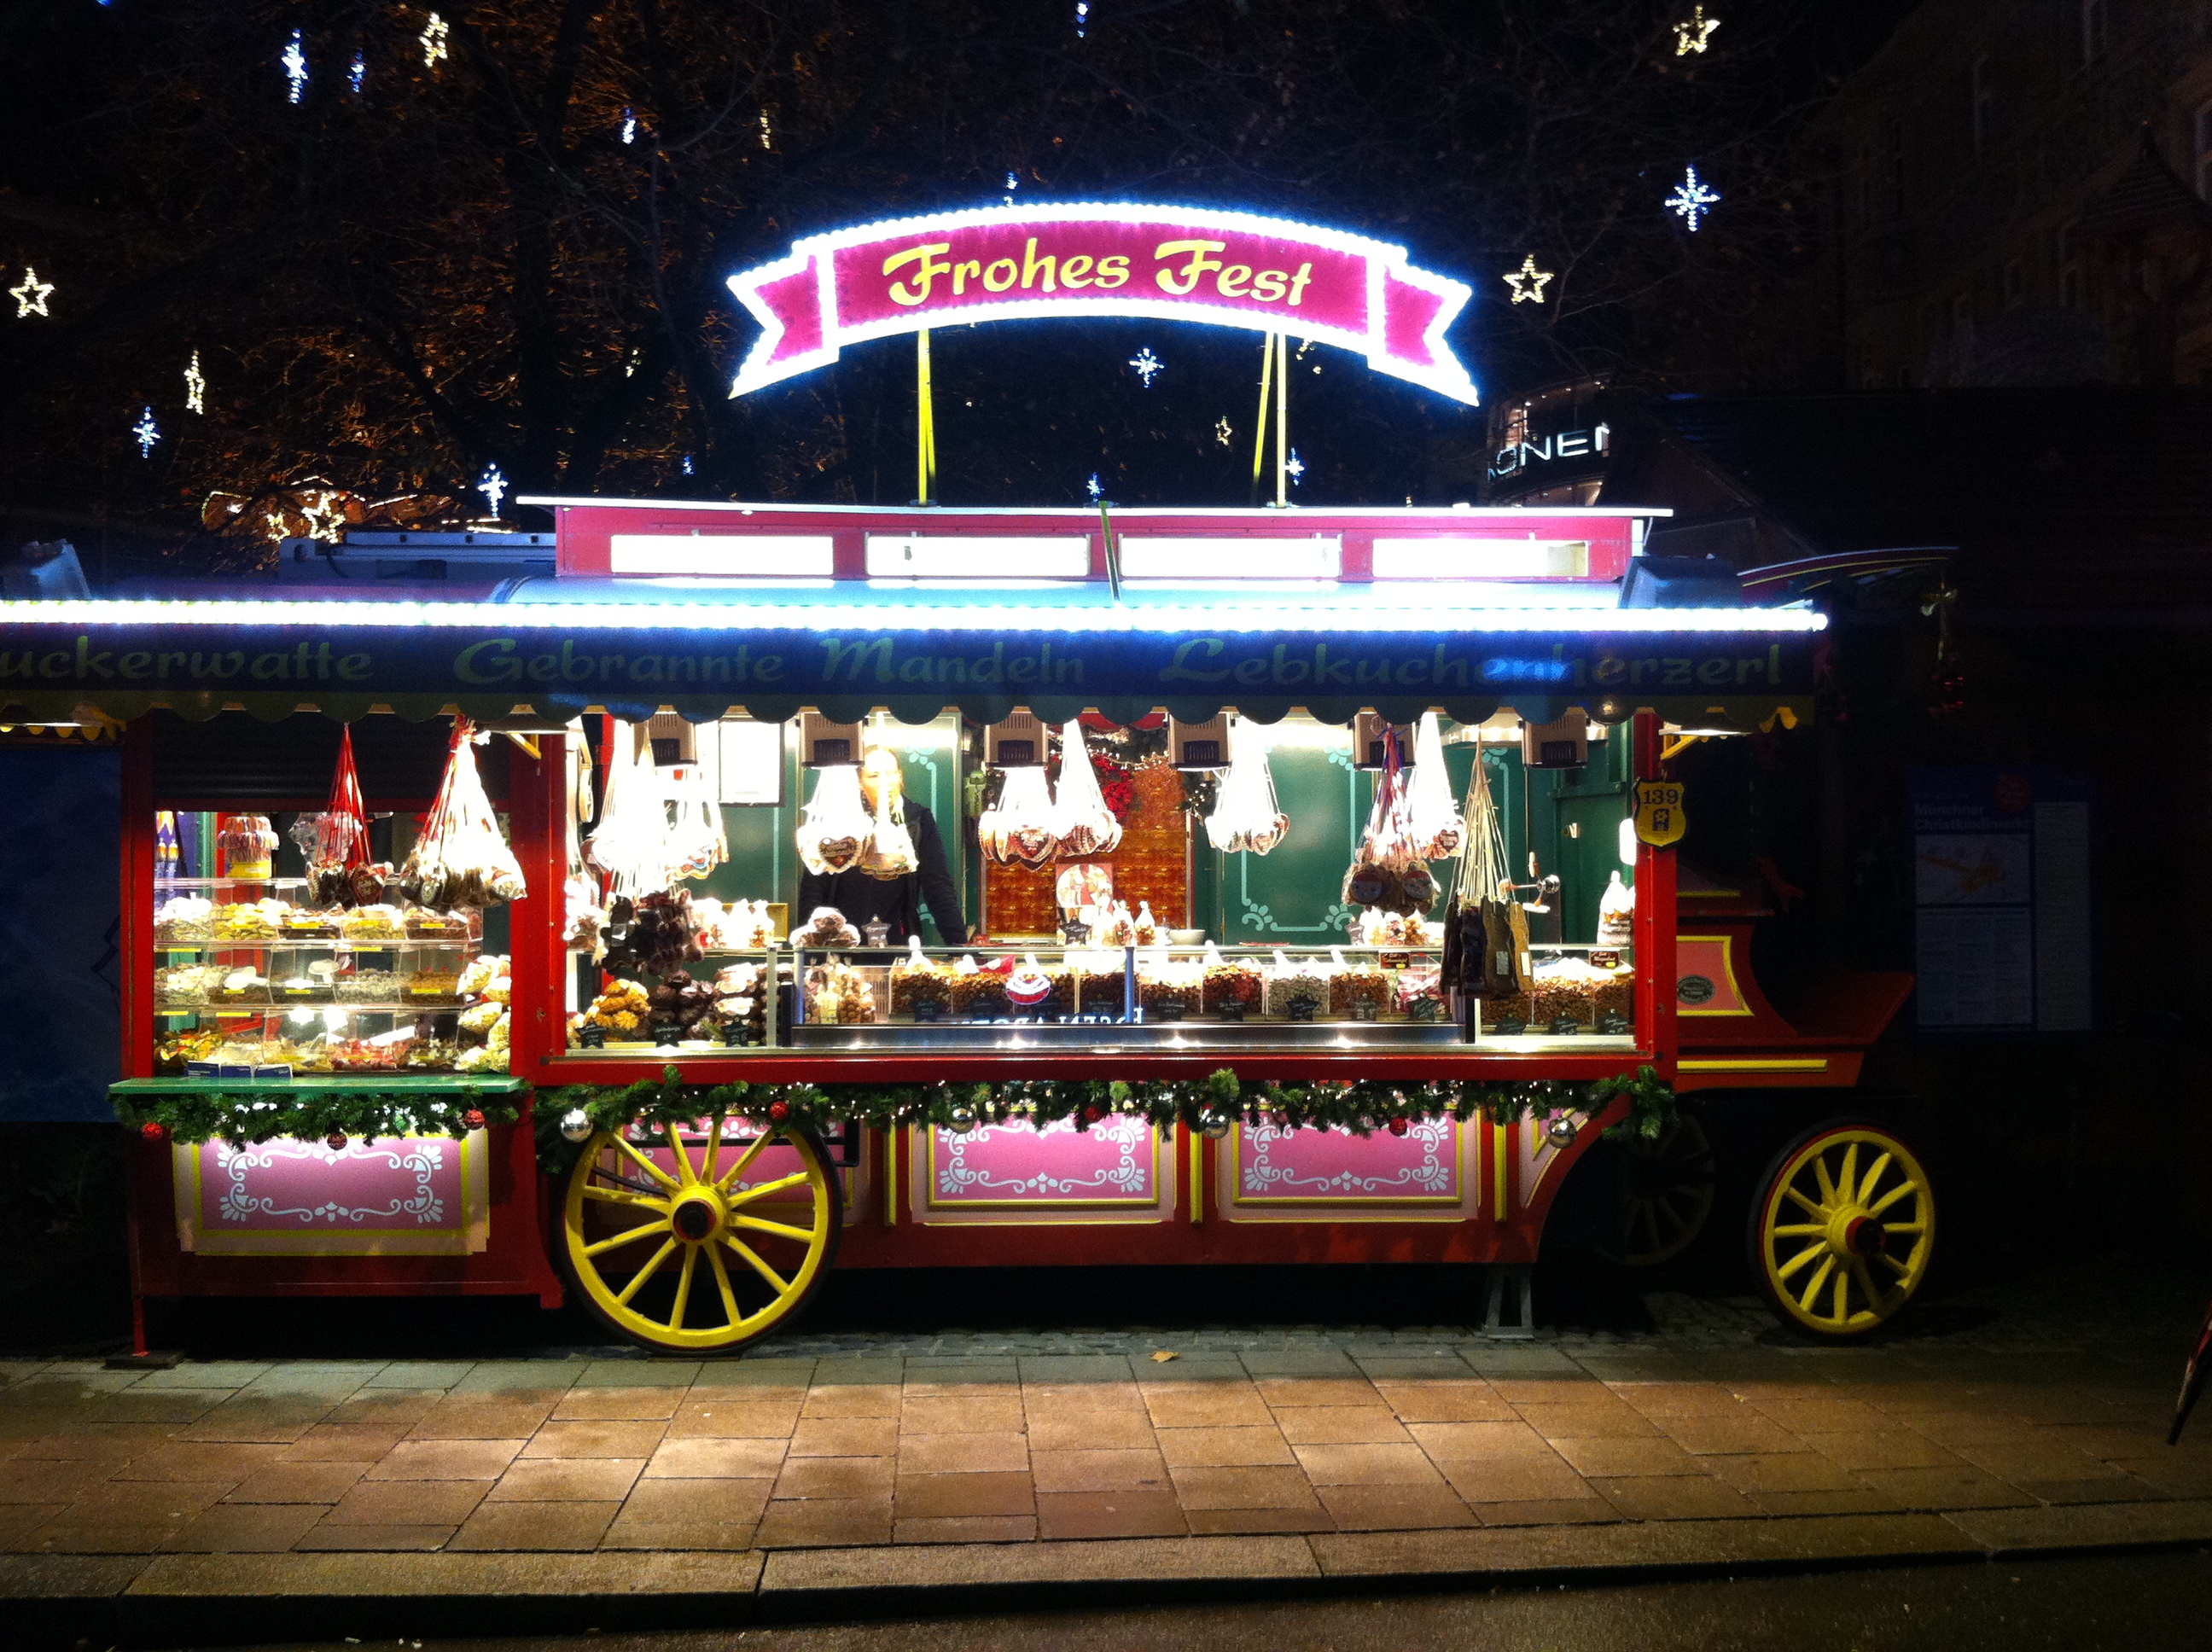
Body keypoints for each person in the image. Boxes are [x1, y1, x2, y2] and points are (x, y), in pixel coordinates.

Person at [796, 745, 968, 945]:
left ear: (900, 776)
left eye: (891, 773)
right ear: (860, 782)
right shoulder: (841, 821)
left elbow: (938, 886)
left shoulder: (918, 819)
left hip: (899, 936)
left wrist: (959, 946)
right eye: (874, 775)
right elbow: (814, 883)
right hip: (841, 937)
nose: (885, 782)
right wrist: (810, 942)